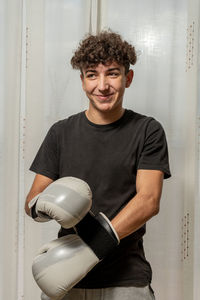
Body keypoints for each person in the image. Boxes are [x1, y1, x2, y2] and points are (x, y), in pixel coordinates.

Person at [25, 30, 171, 300]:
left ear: (128, 78)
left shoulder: (147, 130)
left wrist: (92, 248)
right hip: (66, 277)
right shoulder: (60, 132)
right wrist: (41, 206)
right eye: (92, 74)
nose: (102, 86)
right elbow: (33, 201)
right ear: (82, 81)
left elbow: (149, 200)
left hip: (126, 280)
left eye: (113, 73)